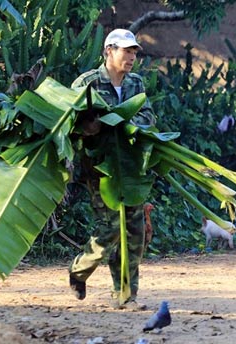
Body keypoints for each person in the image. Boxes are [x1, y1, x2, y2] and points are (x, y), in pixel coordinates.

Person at [68, 28, 156, 311]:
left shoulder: (135, 84)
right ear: (108, 51)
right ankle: (80, 269)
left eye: (133, 53)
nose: (131, 57)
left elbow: (148, 114)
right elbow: (68, 121)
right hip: (100, 168)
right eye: (125, 51)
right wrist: (89, 128)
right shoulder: (87, 83)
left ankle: (126, 295)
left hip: (130, 166)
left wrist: (129, 121)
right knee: (109, 229)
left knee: (133, 231)